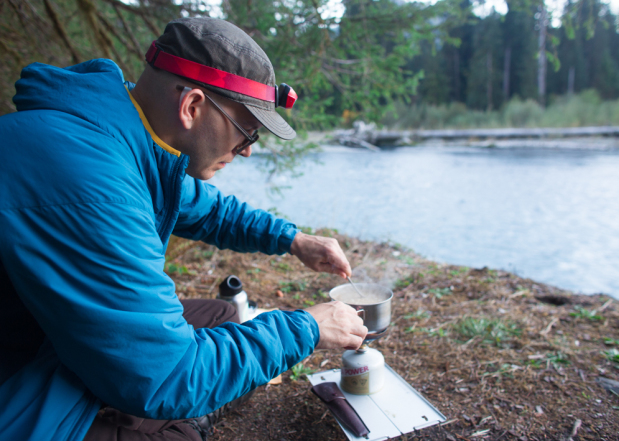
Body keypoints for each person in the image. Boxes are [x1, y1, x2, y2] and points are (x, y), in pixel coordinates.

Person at [0, 17, 368, 441]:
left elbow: (207, 209)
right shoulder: (90, 182)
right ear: (192, 106)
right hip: (19, 386)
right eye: (247, 129)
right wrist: (308, 327)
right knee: (180, 428)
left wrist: (293, 240)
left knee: (222, 314)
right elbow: (171, 377)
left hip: (49, 335)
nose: (247, 151)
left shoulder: (121, 134)